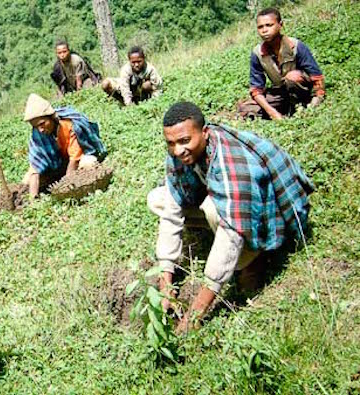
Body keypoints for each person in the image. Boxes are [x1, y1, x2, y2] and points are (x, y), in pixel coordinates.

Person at [147, 102, 314, 332]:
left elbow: (230, 235)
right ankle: (220, 233)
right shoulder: (180, 153)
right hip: (224, 193)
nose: (177, 150)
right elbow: (171, 212)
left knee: (216, 212)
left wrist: (194, 315)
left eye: (185, 141)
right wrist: (166, 282)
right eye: (171, 143)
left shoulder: (232, 164)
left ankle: (253, 260)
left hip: (267, 204)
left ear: (204, 133)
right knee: (157, 198)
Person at [237, 7, 325, 120]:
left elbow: (317, 78)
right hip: (281, 93)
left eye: (269, 25)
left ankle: (301, 108)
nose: (264, 30)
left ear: (280, 25)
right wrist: (272, 112)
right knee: (245, 108)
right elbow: (256, 89)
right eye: (260, 27)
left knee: (292, 77)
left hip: (303, 90)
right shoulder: (257, 53)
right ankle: (285, 111)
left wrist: (315, 104)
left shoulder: (296, 46)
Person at [21, 94, 107, 198]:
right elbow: (35, 167)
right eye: (36, 126)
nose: (40, 129)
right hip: (57, 164)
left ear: (51, 117)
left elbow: (74, 159)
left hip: (78, 159)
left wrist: (65, 186)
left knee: (89, 163)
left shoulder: (69, 125)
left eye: (42, 123)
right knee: (28, 180)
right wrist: (33, 198)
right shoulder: (38, 134)